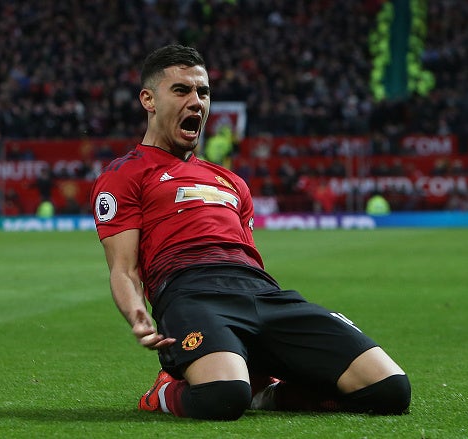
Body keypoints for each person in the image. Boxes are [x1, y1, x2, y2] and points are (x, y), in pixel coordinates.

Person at [90, 44, 410, 421]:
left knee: (390, 390)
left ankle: (267, 394)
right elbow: (123, 269)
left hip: (263, 293)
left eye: (203, 92)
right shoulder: (123, 175)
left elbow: (247, 254)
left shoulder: (232, 182)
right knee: (222, 398)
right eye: (181, 90)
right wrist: (137, 314)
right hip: (191, 294)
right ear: (149, 99)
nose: (197, 101)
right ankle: (164, 390)